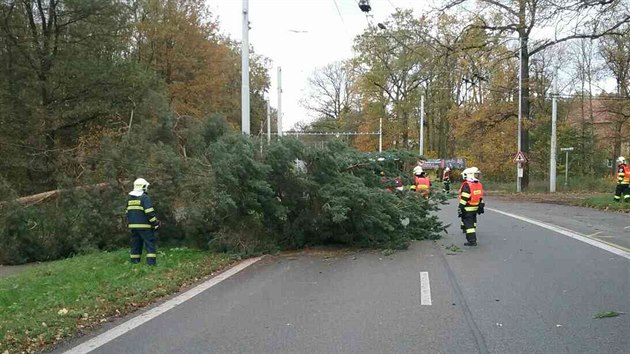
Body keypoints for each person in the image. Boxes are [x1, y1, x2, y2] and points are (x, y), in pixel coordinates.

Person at [126, 178, 160, 265]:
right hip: (145, 227)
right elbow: (149, 212)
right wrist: (155, 223)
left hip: (133, 226)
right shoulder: (144, 198)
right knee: (150, 244)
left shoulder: (130, 198)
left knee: (135, 245)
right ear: (144, 187)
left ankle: (134, 263)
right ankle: (151, 264)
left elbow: (127, 212)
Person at [458, 167, 484, 246]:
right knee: (473, 222)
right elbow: (480, 197)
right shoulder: (478, 184)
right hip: (475, 208)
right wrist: (481, 206)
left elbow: (464, 197)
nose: (477, 176)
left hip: (467, 208)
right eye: (476, 174)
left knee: (469, 225)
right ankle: (469, 231)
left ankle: (472, 241)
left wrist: (460, 207)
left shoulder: (467, 185)